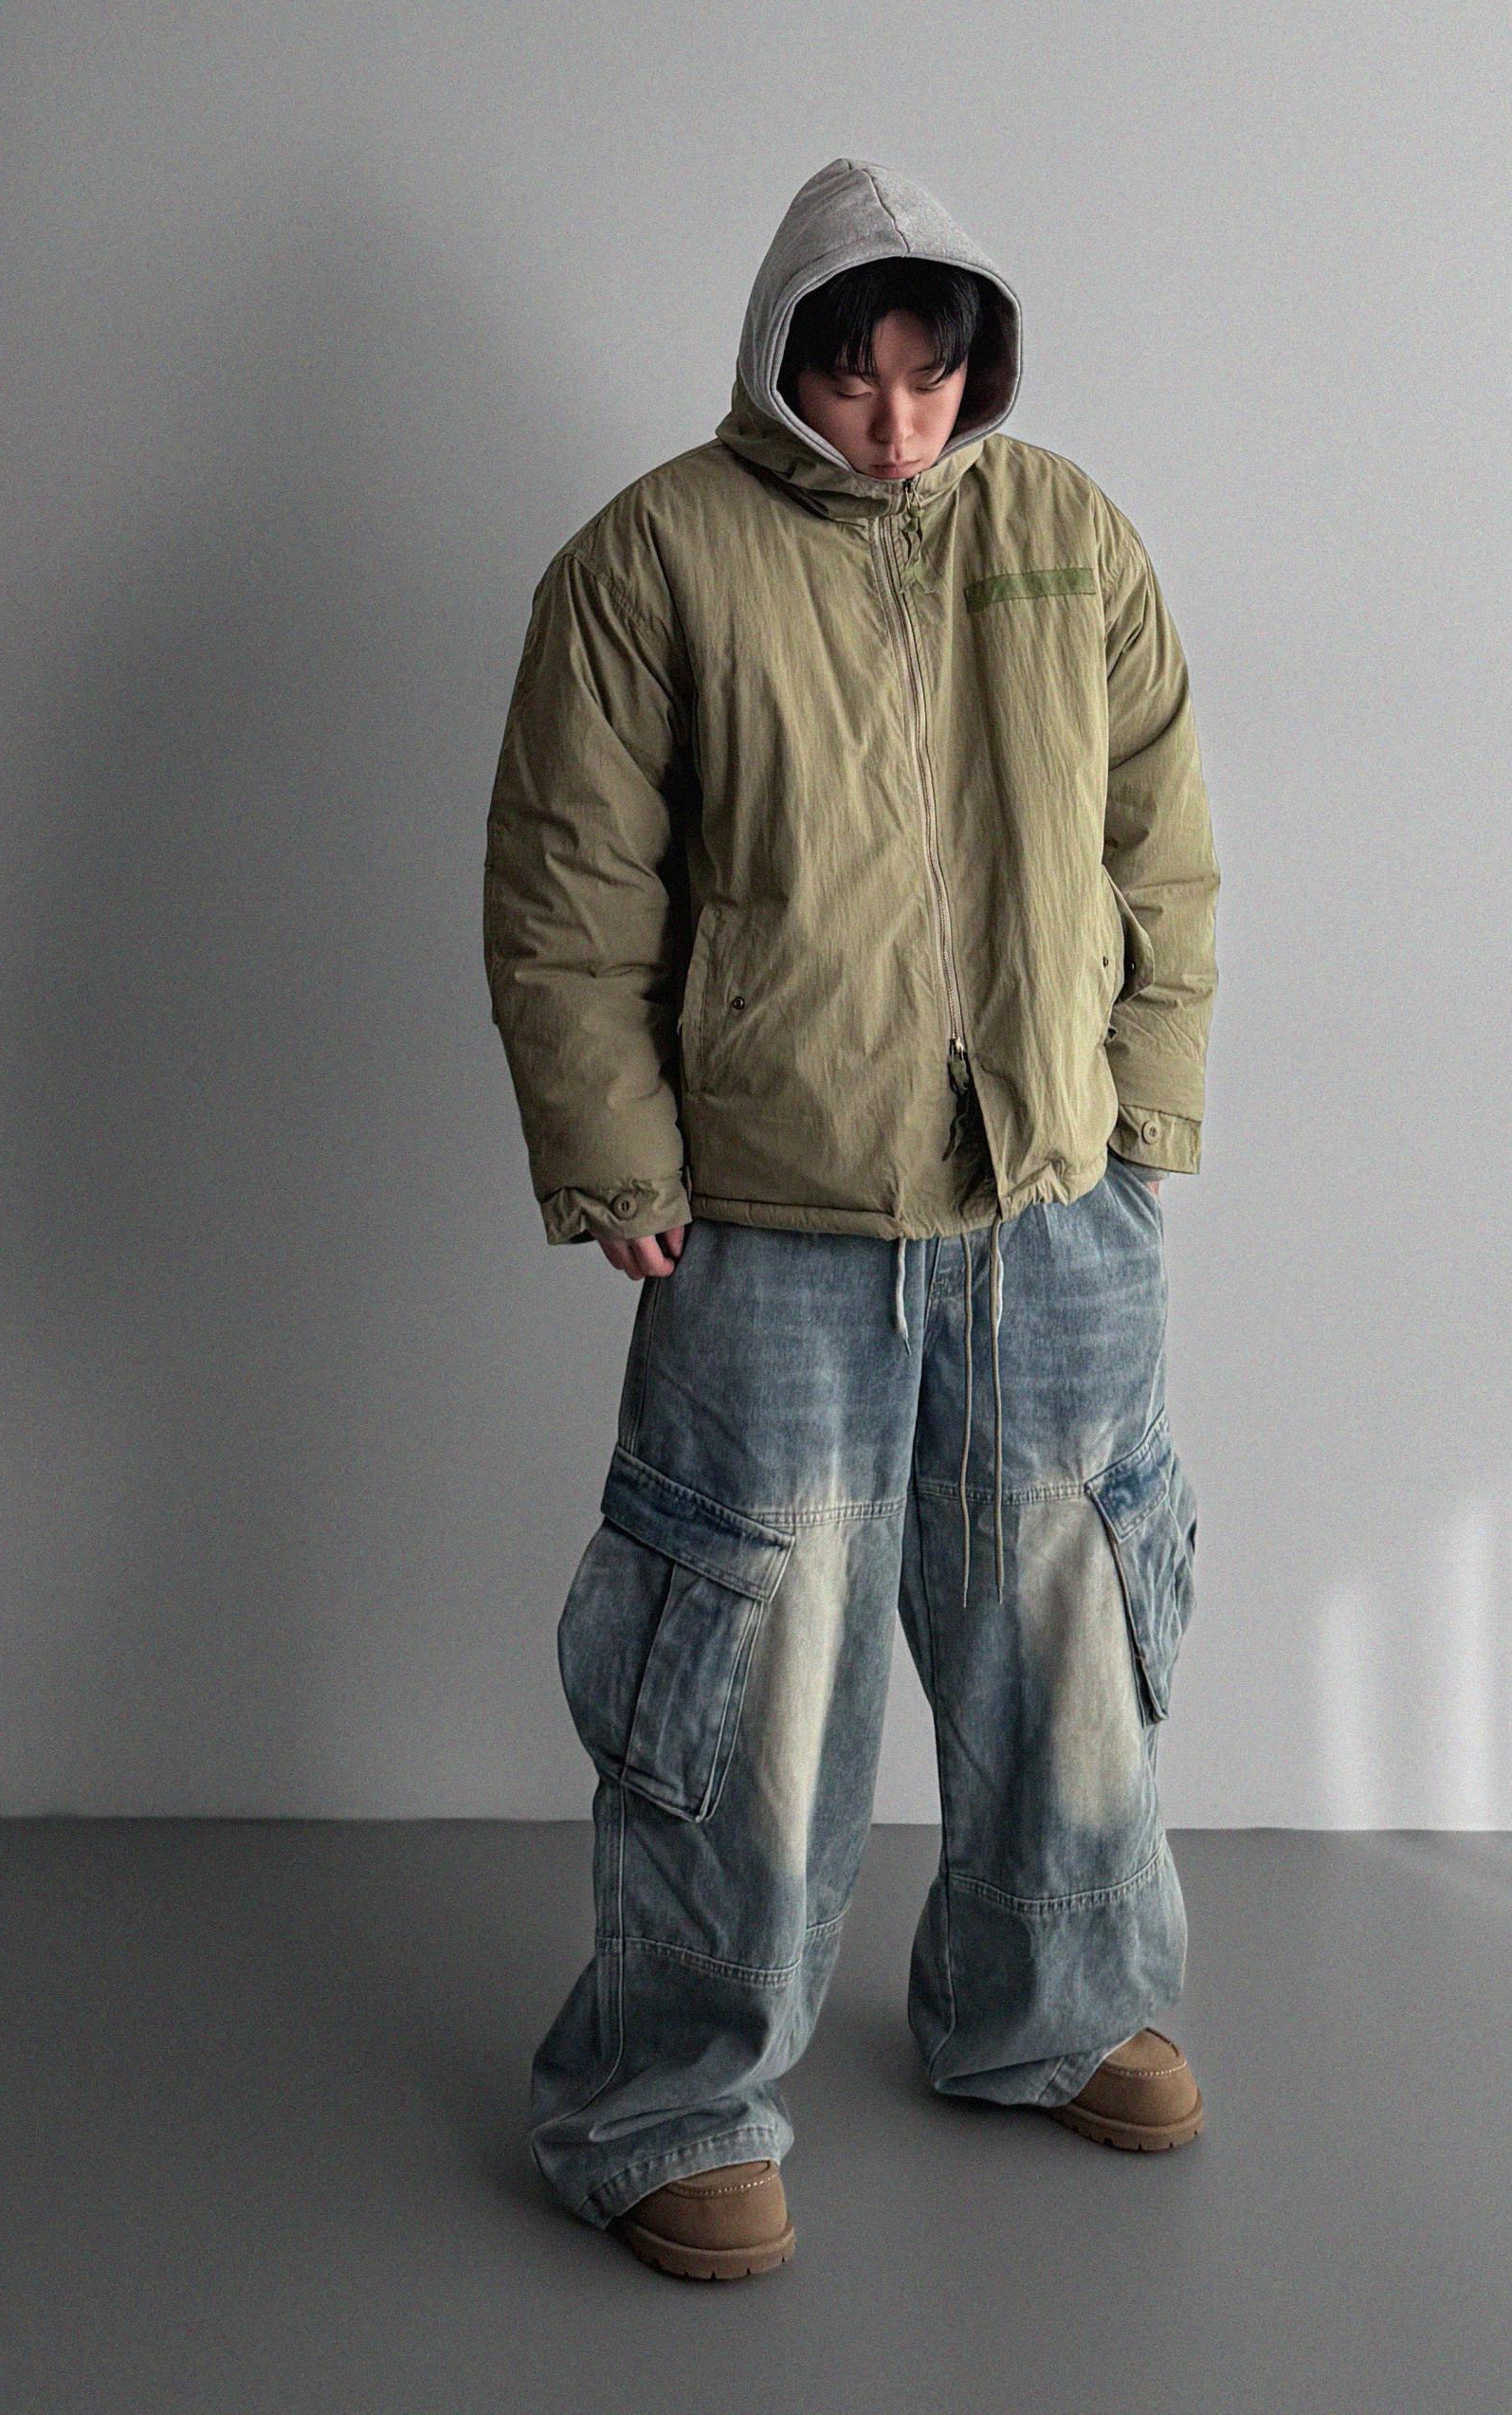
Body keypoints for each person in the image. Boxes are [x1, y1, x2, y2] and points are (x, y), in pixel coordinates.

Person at [483, 156, 1220, 2279]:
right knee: (751, 1673)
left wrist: (1144, 1107)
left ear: (979, 362)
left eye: (931, 374)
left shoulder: (1067, 534)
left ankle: (1046, 2009)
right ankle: (669, 2100)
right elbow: (569, 888)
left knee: (1069, 1629)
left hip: (1052, 1203)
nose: (897, 422)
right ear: (779, 357)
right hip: (772, 1213)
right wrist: (618, 1157)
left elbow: (1162, 835)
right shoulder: (650, 560)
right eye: (852, 375)